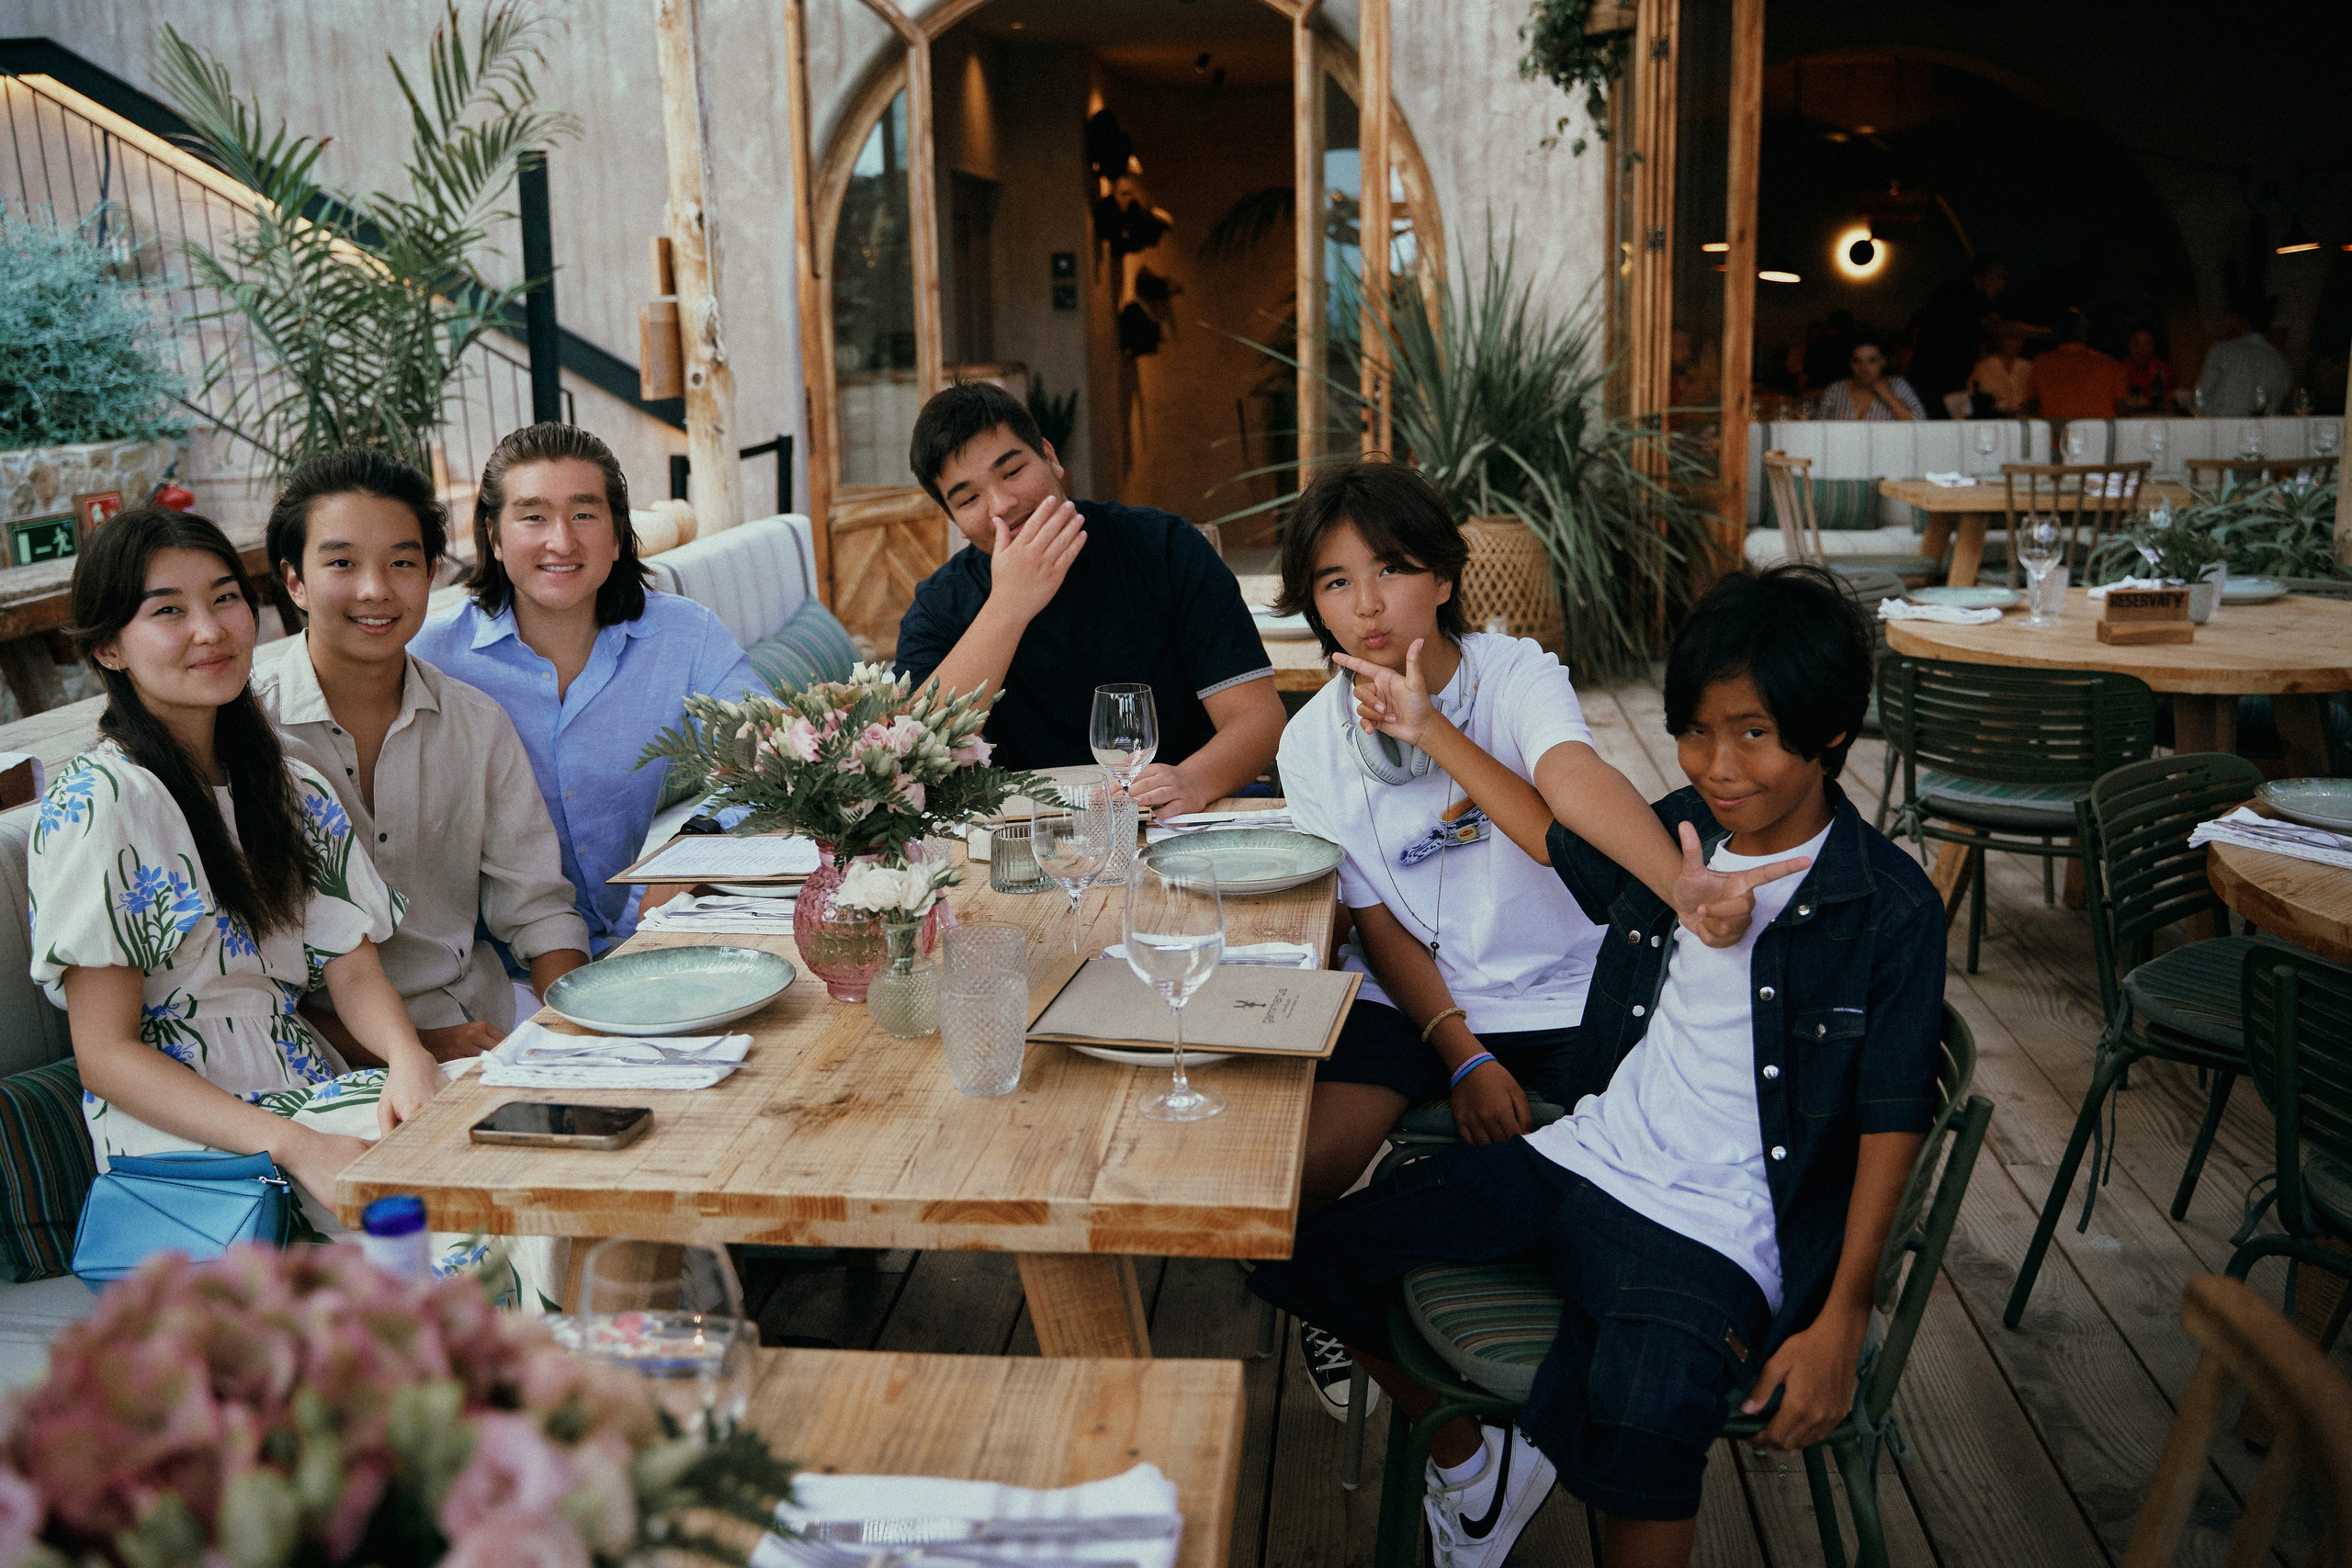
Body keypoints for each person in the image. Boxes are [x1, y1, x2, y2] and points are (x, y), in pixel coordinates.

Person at [1250, 564, 1945, 1568]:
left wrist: (1842, 1316)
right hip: (1587, 1154)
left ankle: (1553, 1435)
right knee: (1312, 1252)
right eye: (1696, 731)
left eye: (1753, 733)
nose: (1718, 763)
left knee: (1641, 1430)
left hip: (1715, 1227)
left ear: (1830, 730)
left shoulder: (1885, 910)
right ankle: (1479, 1474)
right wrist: (1428, 727)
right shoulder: (1679, 835)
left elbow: (1891, 1116)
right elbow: (1547, 831)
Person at [1271, 460, 1809, 1423]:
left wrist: (1676, 885)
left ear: (1440, 576)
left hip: (1568, 996)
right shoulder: (1309, 743)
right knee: (1275, 1196)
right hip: (1417, 1005)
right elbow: (1382, 924)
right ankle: (1446, 1429)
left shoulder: (1515, 675)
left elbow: (1567, 800)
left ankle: (1543, 1383)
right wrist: (1460, 1050)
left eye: (1389, 568)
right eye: (1333, 581)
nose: (1366, 605)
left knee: (1621, 1195)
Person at [29, 507, 438, 1230]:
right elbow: (106, 1056)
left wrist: (409, 1059)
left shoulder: (286, 782)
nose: (211, 629)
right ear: (109, 650)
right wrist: (296, 1145)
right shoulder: (103, 800)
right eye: (167, 611)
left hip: (304, 1092)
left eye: (224, 598)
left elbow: (353, 966)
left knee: (513, 1138)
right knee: (468, 1217)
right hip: (193, 1147)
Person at [254, 450, 592, 1060]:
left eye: (402, 562)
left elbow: (539, 907)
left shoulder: (475, 722)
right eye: (342, 562)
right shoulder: (250, 736)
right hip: (310, 1058)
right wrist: (420, 1047)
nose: (375, 589)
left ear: (432, 573)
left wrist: (578, 1032)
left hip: (475, 1026)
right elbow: (245, 987)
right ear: (294, 580)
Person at [411, 423, 762, 952]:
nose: (562, 540)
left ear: (617, 534)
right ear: (494, 537)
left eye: (584, 514)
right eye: (532, 516)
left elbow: (778, 764)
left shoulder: (685, 636)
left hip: (637, 938)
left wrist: (695, 848)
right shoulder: (430, 659)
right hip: (487, 974)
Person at [893, 381, 1283, 818]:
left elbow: (1258, 718)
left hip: (1176, 820)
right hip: (1024, 840)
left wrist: (1194, 779)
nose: (1001, 503)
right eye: (968, 499)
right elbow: (914, 754)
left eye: (1012, 471)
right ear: (956, 523)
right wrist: (1009, 604)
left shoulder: (1166, 548)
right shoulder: (940, 604)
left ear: (1050, 456)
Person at [1908, 255, 2009, 416]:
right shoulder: (1964, 292)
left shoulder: (1964, 297)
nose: (2002, 285)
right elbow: (1998, 326)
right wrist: (2047, 333)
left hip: (1945, 381)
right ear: (1986, 274)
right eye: (2000, 277)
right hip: (1935, 381)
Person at [2029, 311, 2127, 422]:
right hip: (2100, 435)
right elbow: (2120, 405)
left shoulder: (2041, 363)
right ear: (2085, 333)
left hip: (2059, 435)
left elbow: (2032, 403)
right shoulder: (2108, 363)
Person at [2197, 310, 2292, 418]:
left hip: (2221, 428)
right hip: (2263, 431)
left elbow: (2201, 394)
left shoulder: (2223, 351)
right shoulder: (2280, 361)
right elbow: (2278, 402)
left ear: (2238, 320)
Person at [1817, 337, 1926, 421]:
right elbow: (1818, 428)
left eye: (1872, 360)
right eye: (1857, 361)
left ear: (1883, 361)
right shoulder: (1836, 389)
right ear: (1850, 363)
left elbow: (1921, 424)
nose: (1864, 368)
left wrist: (1888, 396)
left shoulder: (1898, 385)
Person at [1966, 321, 2034, 416]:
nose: (2016, 343)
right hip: (1996, 418)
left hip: (2023, 418)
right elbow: (1973, 394)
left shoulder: (2028, 367)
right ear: (2000, 340)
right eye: (2011, 338)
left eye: (2019, 339)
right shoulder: (1984, 367)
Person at [2120, 327, 2175, 413]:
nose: (2142, 349)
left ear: (2153, 347)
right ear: (2129, 345)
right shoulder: (2119, 370)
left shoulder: (2161, 369)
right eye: (2136, 343)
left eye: (2147, 344)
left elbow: (2169, 396)